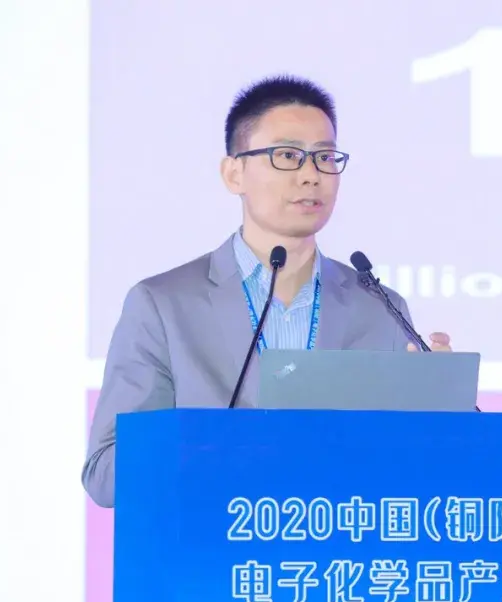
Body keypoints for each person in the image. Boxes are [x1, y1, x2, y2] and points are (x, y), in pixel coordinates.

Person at [83, 75, 454, 508]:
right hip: (212, 544)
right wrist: (209, 447)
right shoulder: (163, 306)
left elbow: (415, 469)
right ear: (234, 173)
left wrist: (439, 410)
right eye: (287, 156)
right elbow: (105, 475)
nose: (311, 175)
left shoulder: (380, 308)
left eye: (325, 157)